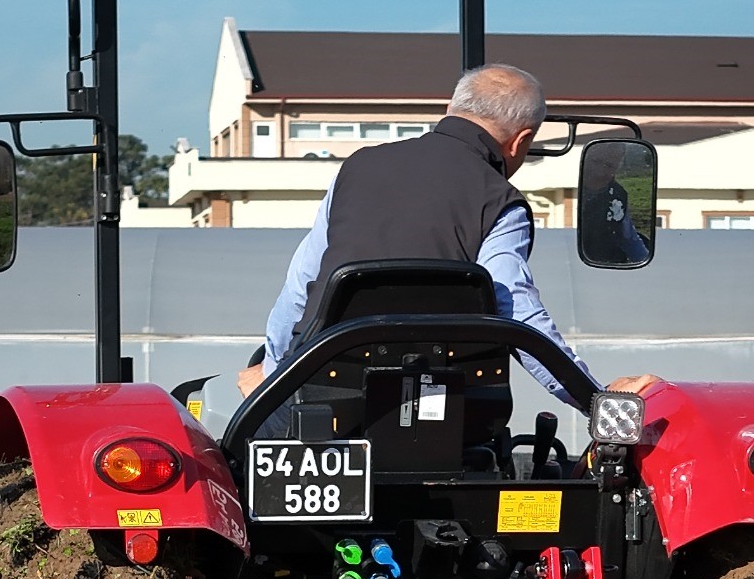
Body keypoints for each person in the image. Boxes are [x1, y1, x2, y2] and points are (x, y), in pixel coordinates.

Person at [241, 64, 652, 405]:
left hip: (320, 389)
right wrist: (593, 398)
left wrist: (274, 375)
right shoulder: (499, 201)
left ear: (449, 110)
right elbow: (516, 311)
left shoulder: (357, 167)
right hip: (444, 408)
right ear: (521, 141)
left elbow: (300, 285)